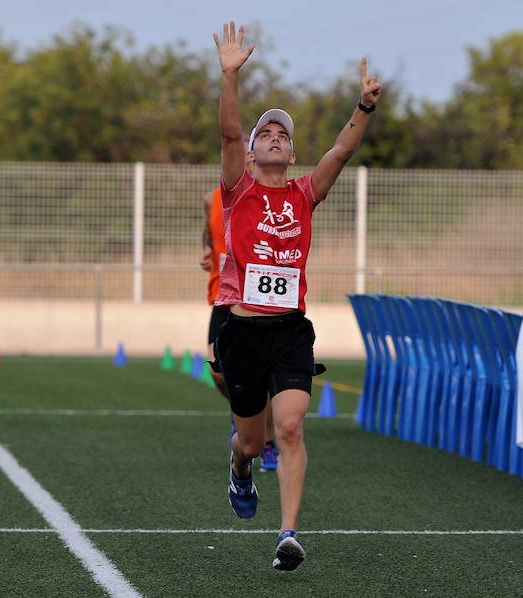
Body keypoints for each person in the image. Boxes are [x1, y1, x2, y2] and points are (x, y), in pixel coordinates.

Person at [210, 20, 382, 571]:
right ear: (256, 150)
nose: (275, 137)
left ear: (292, 150)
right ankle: (238, 468)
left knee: (288, 428)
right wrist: (230, 77)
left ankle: (288, 533)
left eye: (284, 133)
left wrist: (363, 106)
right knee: (250, 441)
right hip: (241, 328)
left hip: (288, 329)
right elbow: (229, 134)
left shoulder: (305, 194)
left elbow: (342, 151)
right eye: (268, 133)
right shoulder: (239, 190)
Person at [201, 146, 278, 472]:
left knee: (266, 373)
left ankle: (269, 442)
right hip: (224, 295)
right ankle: (246, 417)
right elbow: (209, 230)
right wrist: (206, 249)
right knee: (218, 370)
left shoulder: (268, 199)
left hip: (259, 298)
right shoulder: (212, 199)